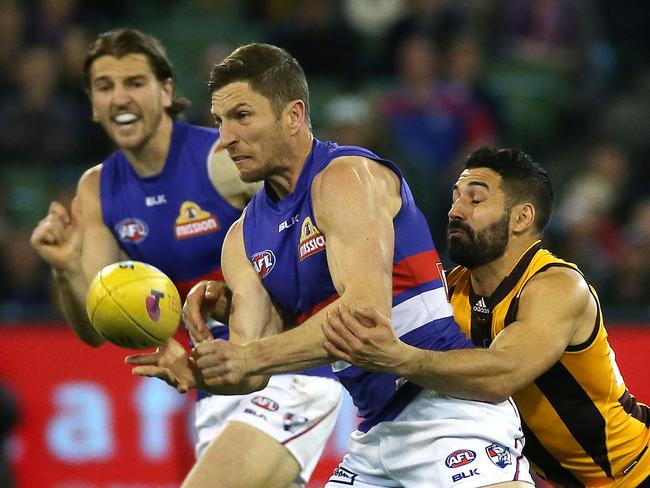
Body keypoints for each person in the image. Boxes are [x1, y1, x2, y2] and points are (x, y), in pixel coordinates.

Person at [170, 43, 533, 487]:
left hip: (446, 409)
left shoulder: (346, 177)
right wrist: (200, 368)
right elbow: (253, 371)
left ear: (294, 115)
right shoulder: (241, 240)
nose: (225, 138)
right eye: (219, 122)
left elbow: (365, 317)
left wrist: (248, 355)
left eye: (242, 116)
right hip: (374, 433)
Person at [29, 28, 343, 488]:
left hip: (284, 370)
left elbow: (311, 224)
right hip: (215, 384)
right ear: (93, 105)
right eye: (105, 86)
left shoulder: (222, 159)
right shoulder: (97, 190)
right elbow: (98, 327)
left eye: (135, 82)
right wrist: (64, 269)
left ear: (166, 91)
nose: (120, 97)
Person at [321, 147, 650, 487]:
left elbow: (501, 376)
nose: (455, 211)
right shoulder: (452, 289)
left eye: (475, 200)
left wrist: (398, 357)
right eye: (455, 197)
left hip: (637, 471)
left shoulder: (557, 286)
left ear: (522, 218)